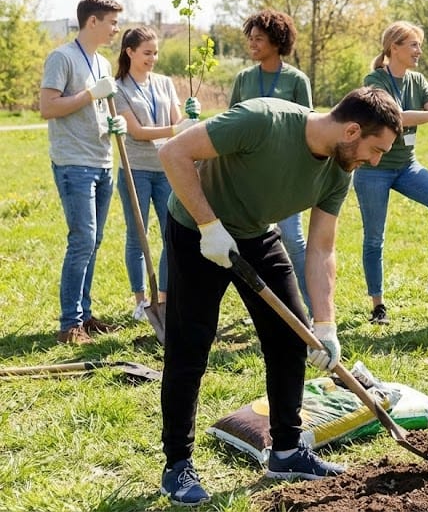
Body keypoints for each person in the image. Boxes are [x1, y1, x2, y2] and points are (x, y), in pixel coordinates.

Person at [156, 87, 401, 506]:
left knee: (292, 336)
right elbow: (174, 153)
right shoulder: (262, 120)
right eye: (375, 150)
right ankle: (177, 464)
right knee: (190, 347)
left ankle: (286, 451)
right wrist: (209, 225)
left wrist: (325, 325)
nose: (374, 161)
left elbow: (322, 248)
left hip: (256, 234)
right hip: (198, 231)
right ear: (352, 130)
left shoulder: (340, 172)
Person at [356, 21, 428, 325]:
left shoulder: (418, 81)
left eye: (419, 45)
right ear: (394, 48)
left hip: (406, 166)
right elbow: (395, 116)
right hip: (374, 169)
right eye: (413, 45)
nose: (419, 51)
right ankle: (378, 305)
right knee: (374, 238)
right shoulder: (374, 79)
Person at [39, 0, 126, 345]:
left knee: (94, 242)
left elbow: (99, 107)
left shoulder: (103, 63)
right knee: (82, 241)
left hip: (103, 160)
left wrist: (113, 121)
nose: (116, 29)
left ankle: (85, 315)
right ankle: (69, 324)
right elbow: (47, 107)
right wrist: (90, 95)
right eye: (112, 22)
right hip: (74, 162)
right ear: (93, 21)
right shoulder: (62, 57)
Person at [229, 9, 315, 313]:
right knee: (255, 245)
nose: (252, 44)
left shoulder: (296, 80)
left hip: (284, 176)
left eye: (259, 39)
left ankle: (311, 308)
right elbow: (230, 123)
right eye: (250, 39)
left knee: (292, 240)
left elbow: (309, 126)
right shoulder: (243, 79)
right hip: (249, 177)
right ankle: (271, 308)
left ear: (277, 41)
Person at [112, 26, 200, 318]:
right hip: (136, 169)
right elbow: (136, 132)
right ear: (130, 52)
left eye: (156, 52)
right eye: (147, 53)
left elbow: (177, 121)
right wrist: (177, 128)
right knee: (137, 237)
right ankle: (140, 299)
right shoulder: (119, 87)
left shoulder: (164, 83)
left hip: (166, 169)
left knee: (170, 233)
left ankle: (162, 297)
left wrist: (190, 116)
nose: (153, 58)